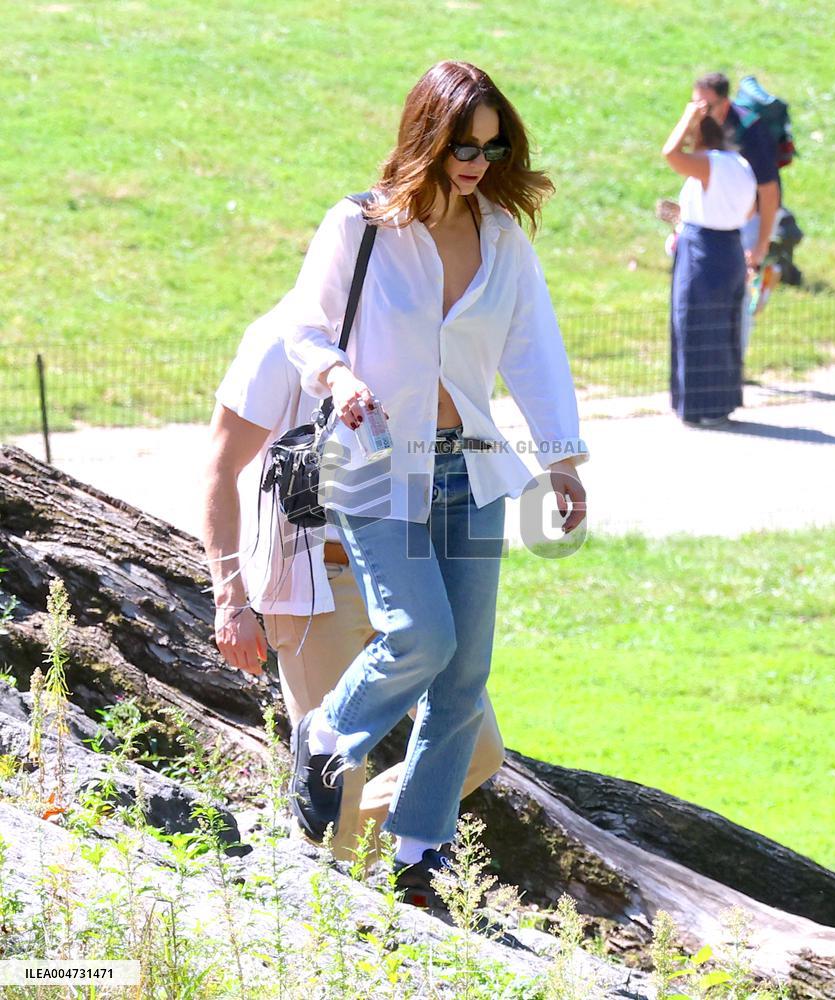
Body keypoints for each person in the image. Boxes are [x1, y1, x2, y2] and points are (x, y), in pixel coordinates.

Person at [282, 60, 589, 899]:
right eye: (461, 142)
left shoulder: (502, 238)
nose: (476, 161)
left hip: (473, 472)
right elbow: (304, 329)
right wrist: (339, 379)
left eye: (491, 147)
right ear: (426, 133)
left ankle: (422, 851)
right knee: (421, 634)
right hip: (374, 461)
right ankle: (326, 735)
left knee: (463, 678)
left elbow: (535, 351)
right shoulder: (361, 226)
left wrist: (561, 459)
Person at [203, 301, 506, 865]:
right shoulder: (276, 343)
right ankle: (327, 875)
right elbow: (220, 467)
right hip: (317, 582)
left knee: (478, 749)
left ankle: (334, 849)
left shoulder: (405, 334)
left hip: (405, 577)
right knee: (336, 768)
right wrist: (231, 600)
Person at [663, 99, 756, 426]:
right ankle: (721, 403)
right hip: (730, 247)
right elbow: (747, 212)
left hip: (703, 251)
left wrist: (688, 113)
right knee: (723, 327)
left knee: (693, 324)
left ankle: (696, 407)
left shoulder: (710, 162)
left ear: (700, 139)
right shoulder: (741, 164)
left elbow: (670, 154)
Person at [692, 73, 781, 356]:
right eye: (696, 103)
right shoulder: (705, 126)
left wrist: (761, 244)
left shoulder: (749, 131)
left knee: (740, 291)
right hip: (720, 218)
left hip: (751, 219)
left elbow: (769, 192)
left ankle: (735, 364)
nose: (701, 110)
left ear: (725, 102)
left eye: (707, 105)